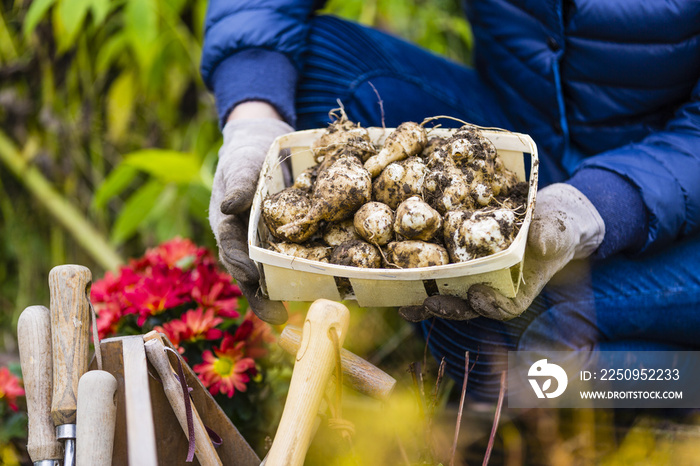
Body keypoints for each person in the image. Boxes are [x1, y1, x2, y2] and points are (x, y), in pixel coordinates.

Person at [202, 1, 700, 399]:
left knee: (538, 336)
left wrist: (599, 203)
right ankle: (483, 390)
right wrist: (252, 121)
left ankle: (666, 398)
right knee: (325, 63)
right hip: (521, 146)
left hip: (676, 200)